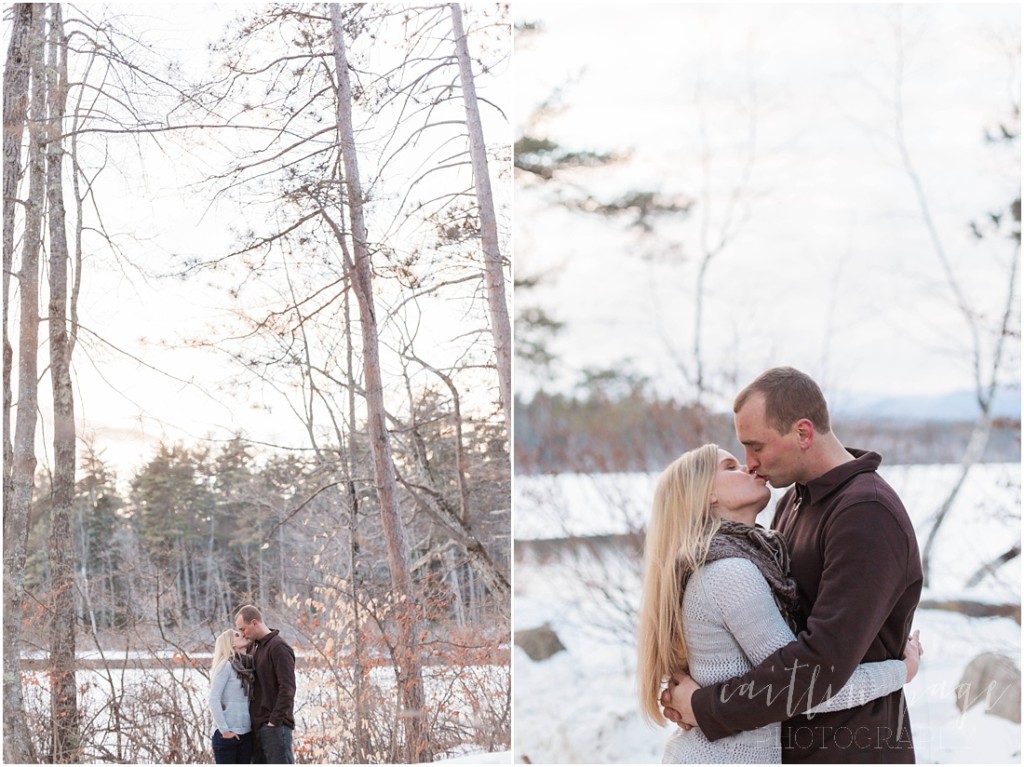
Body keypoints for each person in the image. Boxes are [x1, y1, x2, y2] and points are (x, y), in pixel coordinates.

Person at [662, 367, 924, 762]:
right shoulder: (793, 503)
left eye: (756, 447)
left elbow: (819, 665)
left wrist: (707, 708)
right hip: (792, 747)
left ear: (803, 433)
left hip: (851, 748)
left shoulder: (865, 514)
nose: (751, 463)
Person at [235, 605, 297, 764]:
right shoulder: (255, 647)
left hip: (276, 727)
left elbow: (288, 688)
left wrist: (274, 721)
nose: (243, 634)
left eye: (243, 629)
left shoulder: (278, 647)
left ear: (254, 622)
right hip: (258, 726)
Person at [209, 628, 255, 764]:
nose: (242, 634)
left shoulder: (247, 668)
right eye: (236, 634)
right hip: (227, 736)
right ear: (230, 643)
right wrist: (225, 731)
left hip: (246, 734)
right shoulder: (225, 665)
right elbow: (213, 699)